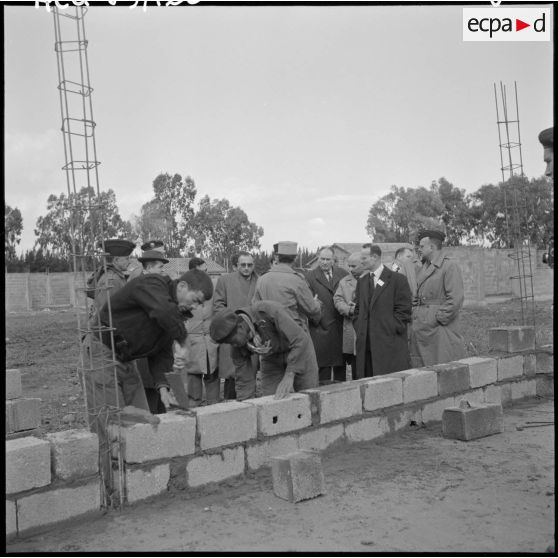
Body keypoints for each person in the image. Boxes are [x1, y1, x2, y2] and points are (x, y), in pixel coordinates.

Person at [210, 300, 319, 399]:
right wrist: (246, 407)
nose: (233, 345)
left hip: (299, 349)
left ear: (240, 327)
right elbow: (244, 381)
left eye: (232, 341)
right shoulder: (236, 347)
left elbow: (300, 339)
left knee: (309, 396)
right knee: (271, 400)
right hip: (271, 357)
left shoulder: (267, 311)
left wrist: (289, 374)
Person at [353, 244, 412, 378]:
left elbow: (404, 311)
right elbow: (357, 309)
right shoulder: (362, 281)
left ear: (374, 257)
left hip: (389, 345)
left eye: (363, 258)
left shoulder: (398, 280)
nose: (360, 261)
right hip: (366, 347)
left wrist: (391, 328)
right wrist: (360, 327)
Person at [409, 230, 466, 367]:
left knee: (442, 365)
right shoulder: (423, 267)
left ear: (432, 247)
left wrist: (437, 317)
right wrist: (415, 306)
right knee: (423, 369)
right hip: (422, 328)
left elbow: (455, 298)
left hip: (439, 329)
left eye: (422, 246)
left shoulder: (449, 266)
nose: (419, 249)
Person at [213, 251, 259, 400]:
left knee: (250, 372)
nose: (246, 268)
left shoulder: (261, 281)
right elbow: (218, 306)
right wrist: (231, 322)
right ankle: (229, 405)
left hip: (253, 333)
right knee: (232, 375)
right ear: (236, 266)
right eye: (243, 265)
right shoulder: (225, 280)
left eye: (250, 265)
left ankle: (250, 403)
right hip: (232, 333)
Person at [253, 241, 322, 332]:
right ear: (295, 258)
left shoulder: (262, 279)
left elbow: (255, 306)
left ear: (277, 258)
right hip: (293, 332)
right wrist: (317, 303)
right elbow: (312, 308)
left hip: (269, 331)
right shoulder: (297, 280)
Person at [134, 248, 171, 413]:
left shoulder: (159, 286)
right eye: (160, 268)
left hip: (161, 349)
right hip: (145, 351)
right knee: (149, 398)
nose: (163, 271)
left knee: (163, 398)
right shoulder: (137, 288)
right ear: (148, 268)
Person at [305, 247, 349, 384]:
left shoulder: (343, 274)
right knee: (322, 367)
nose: (324, 262)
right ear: (318, 259)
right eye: (322, 259)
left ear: (333, 260)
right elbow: (307, 303)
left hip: (340, 326)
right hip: (320, 328)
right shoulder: (309, 277)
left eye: (327, 259)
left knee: (340, 368)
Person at [86, 239, 135, 324]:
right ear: (116, 260)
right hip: (107, 332)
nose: (129, 262)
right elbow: (105, 312)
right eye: (127, 259)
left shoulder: (116, 276)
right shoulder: (112, 280)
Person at [333, 252, 360, 378]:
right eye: (349, 266)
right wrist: (348, 310)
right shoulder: (344, 282)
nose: (350, 269)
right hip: (349, 327)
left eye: (354, 266)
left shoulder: (371, 279)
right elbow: (338, 300)